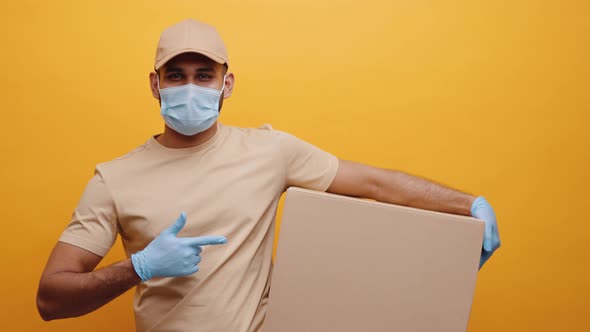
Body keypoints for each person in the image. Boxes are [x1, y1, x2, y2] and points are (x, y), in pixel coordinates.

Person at [36, 18, 500, 332]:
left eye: (204, 74)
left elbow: (375, 184)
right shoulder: (114, 179)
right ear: (155, 84)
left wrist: (468, 205)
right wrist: (138, 267)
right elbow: (50, 300)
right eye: (176, 76)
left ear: (226, 84)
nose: (190, 87)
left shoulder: (269, 152)